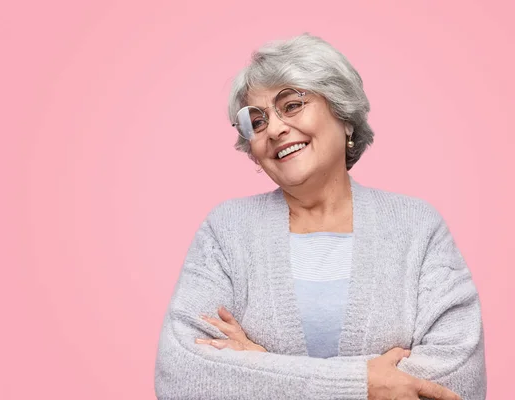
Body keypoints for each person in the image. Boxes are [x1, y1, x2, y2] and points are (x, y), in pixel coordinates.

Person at [153, 33, 486, 400]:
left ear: (344, 115)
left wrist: (259, 365)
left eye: (292, 105)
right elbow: (182, 375)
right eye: (257, 121)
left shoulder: (417, 227)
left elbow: (459, 381)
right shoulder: (226, 231)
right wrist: (363, 385)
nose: (275, 129)